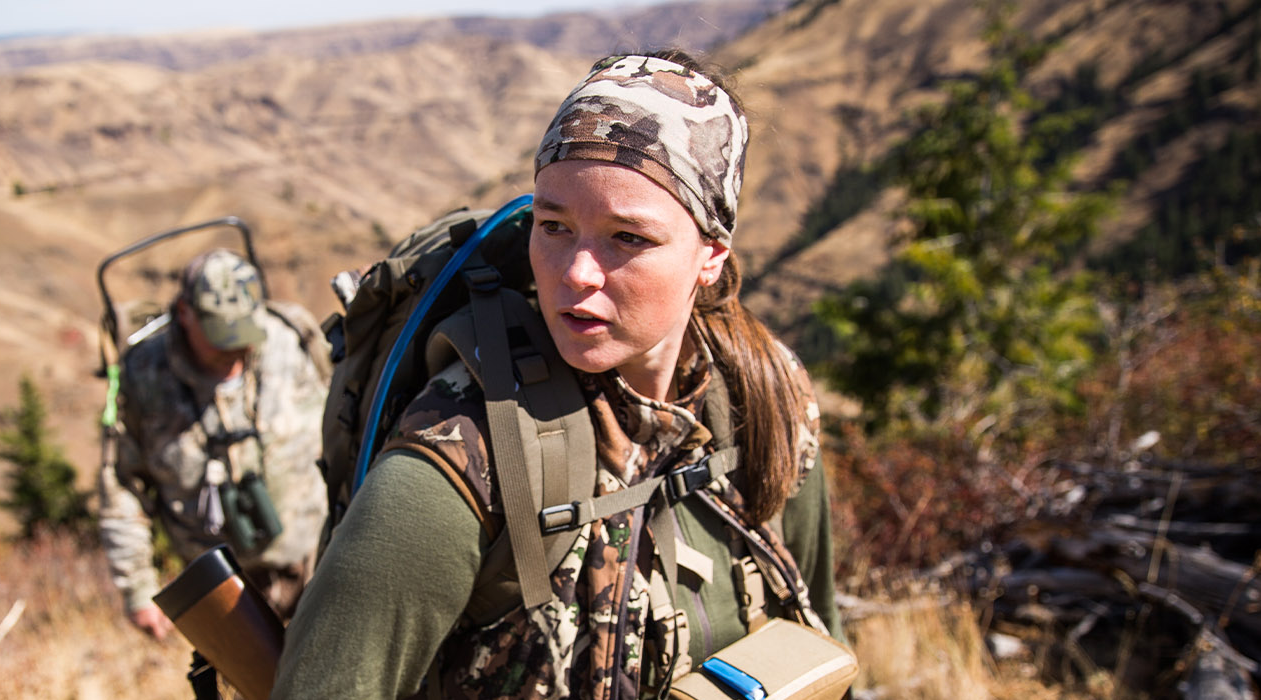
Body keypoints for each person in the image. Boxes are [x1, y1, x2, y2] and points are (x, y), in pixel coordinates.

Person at [272, 50, 845, 699]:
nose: (575, 272)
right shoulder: (462, 459)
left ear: (711, 254)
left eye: (627, 237)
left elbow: (819, 635)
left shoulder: (763, 400)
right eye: (554, 226)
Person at [97, 250, 329, 644]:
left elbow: (347, 428)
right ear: (185, 313)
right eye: (222, 336)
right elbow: (122, 487)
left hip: (318, 563)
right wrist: (138, 589)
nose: (234, 351)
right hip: (220, 590)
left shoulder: (290, 341)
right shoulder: (145, 376)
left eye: (244, 333)